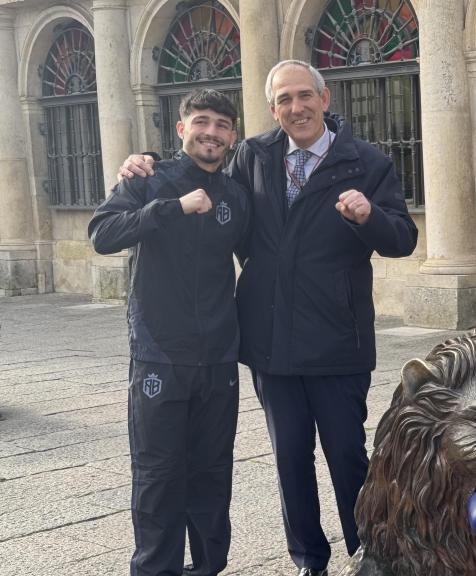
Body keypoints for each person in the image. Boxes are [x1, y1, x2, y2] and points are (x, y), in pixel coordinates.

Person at [119, 60, 418, 576]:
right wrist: (145, 164)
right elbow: (207, 180)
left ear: (325, 100)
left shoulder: (365, 162)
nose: (296, 108)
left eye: (305, 96)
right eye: (284, 100)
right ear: (272, 108)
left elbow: (403, 238)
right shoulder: (254, 155)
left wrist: (369, 216)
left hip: (337, 335)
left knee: (348, 452)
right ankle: (309, 557)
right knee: (289, 458)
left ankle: (371, 548)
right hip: (270, 336)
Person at [90, 88, 247, 576]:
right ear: (182, 129)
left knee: (212, 475)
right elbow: (102, 233)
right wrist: (170, 208)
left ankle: (208, 568)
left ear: (232, 136)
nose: (211, 133)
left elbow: (260, 260)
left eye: (222, 125)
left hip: (218, 360)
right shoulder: (149, 178)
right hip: (160, 357)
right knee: (158, 478)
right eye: (202, 121)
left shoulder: (237, 195)